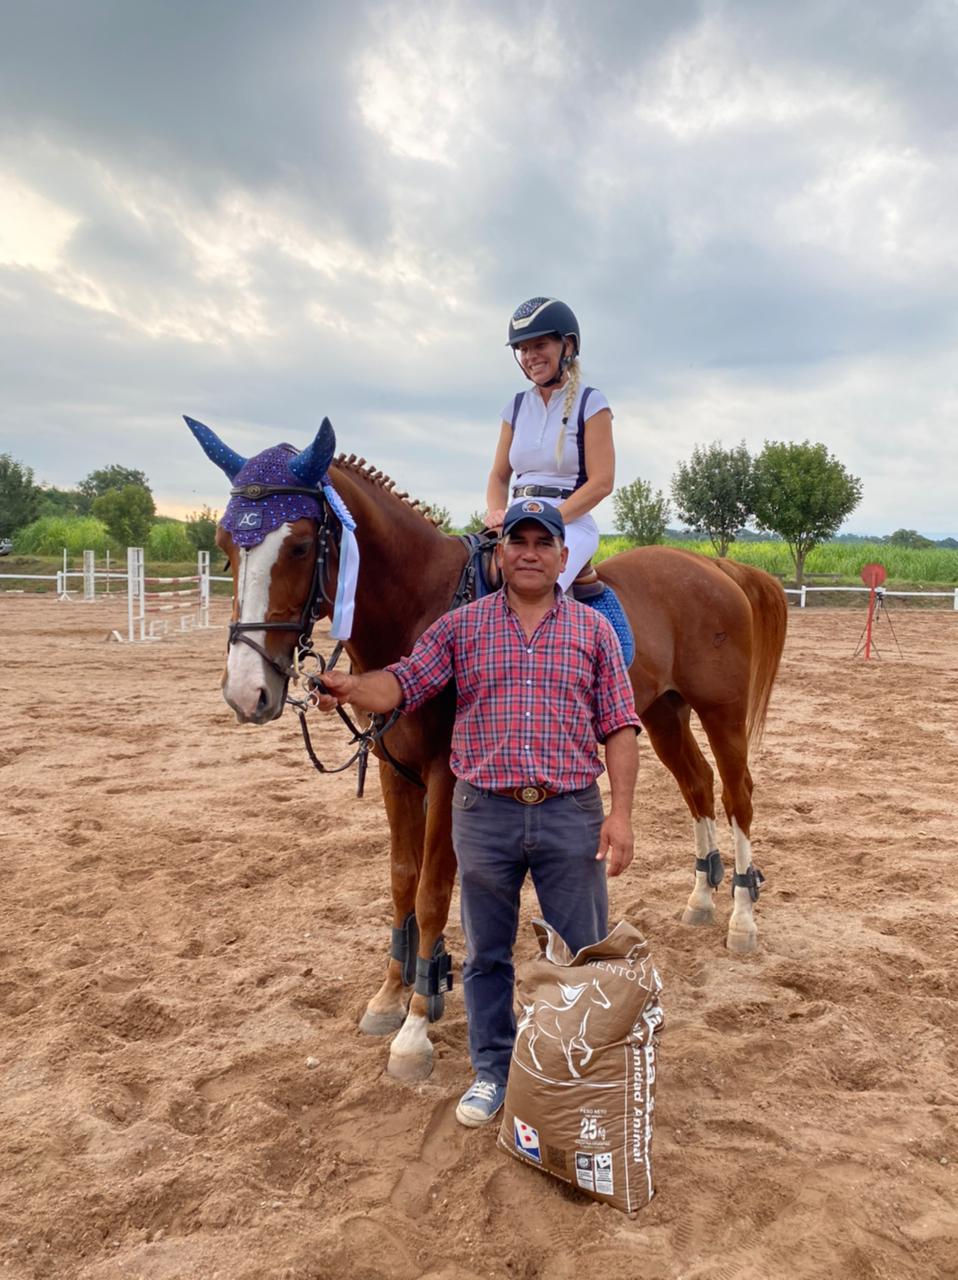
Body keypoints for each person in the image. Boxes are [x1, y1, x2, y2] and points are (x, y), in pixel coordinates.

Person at [313, 500, 641, 1128]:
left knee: (579, 954)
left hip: (570, 812)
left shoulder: (595, 632)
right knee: (487, 956)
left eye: (543, 543)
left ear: (563, 558)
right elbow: (405, 682)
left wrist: (620, 814)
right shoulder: (462, 628)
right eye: (518, 541)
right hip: (485, 814)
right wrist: (353, 687)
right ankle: (493, 1070)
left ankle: (572, 1076)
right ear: (500, 554)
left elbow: (620, 727)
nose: (529, 553)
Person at [484, 297, 615, 595]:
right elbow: (499, 477)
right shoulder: (515, 407)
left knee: (533, 586)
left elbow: (602, 482)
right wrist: (496, 512)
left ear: (567, 346)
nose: (530, 356)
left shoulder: (591, 403)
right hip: (517, 519)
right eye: (523, 349)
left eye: (540, 345)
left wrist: (551, 519)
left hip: (569, 521)